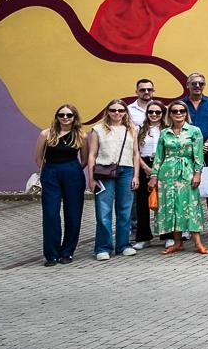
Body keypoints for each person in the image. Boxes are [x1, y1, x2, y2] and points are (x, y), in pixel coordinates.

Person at [150, 101, 208, 255]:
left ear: (186, 113)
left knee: (190, 205)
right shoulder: (165, 132)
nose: (178, 113)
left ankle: (198, 243)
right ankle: (177, 243)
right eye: (174, 111)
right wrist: (154, 176)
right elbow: (159, 156)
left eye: (181, 110)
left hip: (187, 172)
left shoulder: (194, 131)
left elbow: (198, 155)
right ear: (170, 114)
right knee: (171, 206)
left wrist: (198, 173)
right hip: (166, 173)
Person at [86, 98, 140, 260]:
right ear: (107, 112)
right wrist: (91, 178)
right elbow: (92, 154)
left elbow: (135, 153)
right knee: (103, 210)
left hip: (126, 170)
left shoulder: (132, 129)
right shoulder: (98, 129)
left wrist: (136, 175)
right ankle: (103, 247)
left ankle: (123, 245)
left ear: (125, 112)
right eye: (113, 110)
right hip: (104, 171)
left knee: (125, 209)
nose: (117, 113)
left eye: (121, 110)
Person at [35, 105, 88, 265]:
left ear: (74, 117)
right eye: (61, 114)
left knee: (73, 214)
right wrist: (47, 172)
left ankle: (67, 252)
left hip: (73, 174)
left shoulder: (81, 135)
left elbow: (84, 159)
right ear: (57, 116)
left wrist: (74, 170)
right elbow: (38, 158)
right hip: (51, 173)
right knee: (50, 214)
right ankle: (51, 254)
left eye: (69, 115)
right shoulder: (46, 134)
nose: (65, 117)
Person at [182, 72, 208, 238]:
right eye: (194, 83)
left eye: (201, 83)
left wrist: (207, 143)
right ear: (188, 85)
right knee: (186, 188)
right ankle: (186, 225)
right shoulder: (181, 104)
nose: (197, 86)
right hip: (186, 152)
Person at [134, 100, 165, 249]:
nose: (154, 114)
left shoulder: (167, 130)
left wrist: (159, 170)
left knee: (165, 202)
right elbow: (135, 152)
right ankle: (143, 237)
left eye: (157, 112)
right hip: (144, 164)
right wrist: (145, 168)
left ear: (163, 114)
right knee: (142, 203)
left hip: (164, 165)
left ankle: (167, 236)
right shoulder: (139, 129)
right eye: (151, 112)